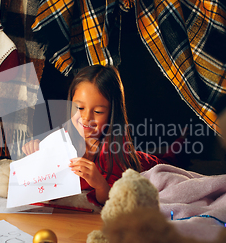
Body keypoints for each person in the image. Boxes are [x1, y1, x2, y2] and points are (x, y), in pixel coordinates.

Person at [22, 65, 168, 205]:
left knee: (170, 160)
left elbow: (112, 199)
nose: (86, 117)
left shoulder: (114, 149)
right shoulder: (63, 138)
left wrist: (100, 184)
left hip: (140, 161)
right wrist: (35, 152)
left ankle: (181, 141)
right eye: (79, 107)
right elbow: (41, 180)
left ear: (112, 113)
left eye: (97, 111)